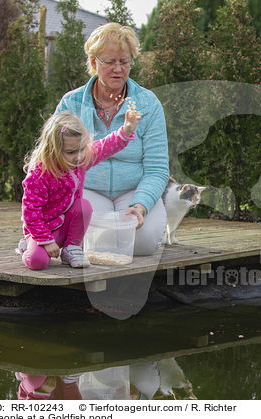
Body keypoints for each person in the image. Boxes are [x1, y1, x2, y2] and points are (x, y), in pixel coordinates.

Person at [55, 22, 169, 256]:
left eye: (124, 62)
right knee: (99, 243)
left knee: (143, 243)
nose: (118, 69)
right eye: (110, 62)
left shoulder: (149, 104)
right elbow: (55, 161)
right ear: (94, 62)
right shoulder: (70, 103)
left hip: (133, 189)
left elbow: (157, 169)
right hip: (88, 190)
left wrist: (140, 206)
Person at [18, 108, 141, 270]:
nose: (78, 156)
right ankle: (27, 245)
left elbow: (105, 146)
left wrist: (126, 130)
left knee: (84, 206)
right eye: (70, 152)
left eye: (82, 149)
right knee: (37, 262)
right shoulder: (39, 174)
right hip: (44, 229)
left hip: (66, 226)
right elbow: (30, 212)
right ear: (52, 150)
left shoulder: (81, 160)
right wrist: (45, 240)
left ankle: (71, 248)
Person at [16, 373, 82, 400]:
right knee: (69, 378)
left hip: (34, 380)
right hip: (61, 383)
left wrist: (41, 393)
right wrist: (67, 383)